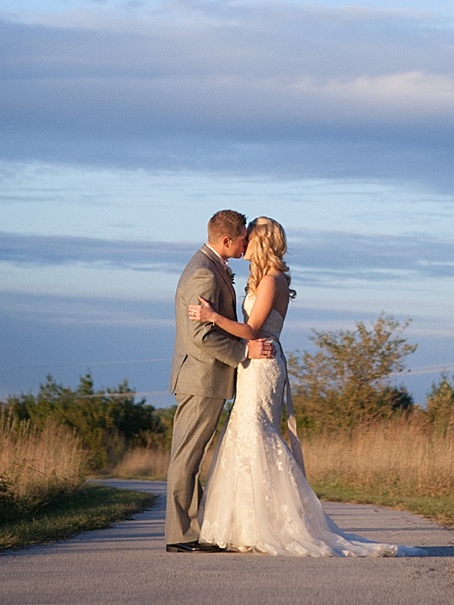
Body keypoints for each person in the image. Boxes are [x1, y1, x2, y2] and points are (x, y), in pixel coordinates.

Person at [188, 216, 398, 556]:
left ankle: (274, 523)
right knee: (246, 433)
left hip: (263, 362)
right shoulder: (265, 278)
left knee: (257, 433)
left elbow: (253, 330)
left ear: (261, 242)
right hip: (251, 362)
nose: (243, 241)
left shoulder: (272, 280)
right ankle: (246, 524)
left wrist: (212, 317)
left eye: (248, 236)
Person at [166, 209, 275, 551]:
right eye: (243, 237)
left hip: (204, 378)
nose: (246, 242)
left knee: (192, 455)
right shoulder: (205, 274)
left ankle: (193, 530)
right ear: (227, 240)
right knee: (187, 457)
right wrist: (244, 353)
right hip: (201, 378)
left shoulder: (210, 267)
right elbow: (201, 336)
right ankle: (181, 535)